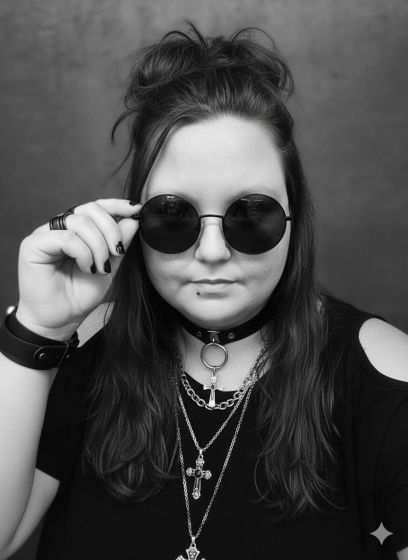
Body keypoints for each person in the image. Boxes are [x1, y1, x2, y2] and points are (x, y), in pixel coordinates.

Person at [0, 22, 407, 560]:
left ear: (294, 217)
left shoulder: (387, 376)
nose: (212, 251)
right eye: (174, 215)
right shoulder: (79, 346)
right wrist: (37, 328)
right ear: (133, 221)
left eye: (251, 214)